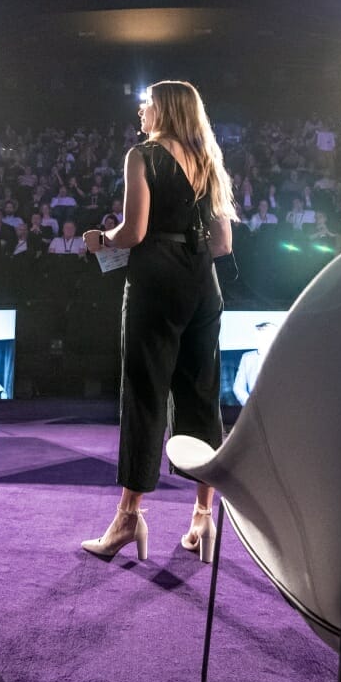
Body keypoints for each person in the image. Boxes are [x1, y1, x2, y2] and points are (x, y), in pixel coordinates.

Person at [80, 80, 235, 563]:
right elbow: (223, 243)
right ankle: (202, 519)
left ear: (164, 109)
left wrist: (99, 240)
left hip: (155, 285)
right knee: (202, 394)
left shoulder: (141, 155)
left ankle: (129, 519)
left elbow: (134, 232)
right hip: (203, 287)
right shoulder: (208, 159)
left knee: (145, 395)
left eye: (146, 102)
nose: (141, 109)